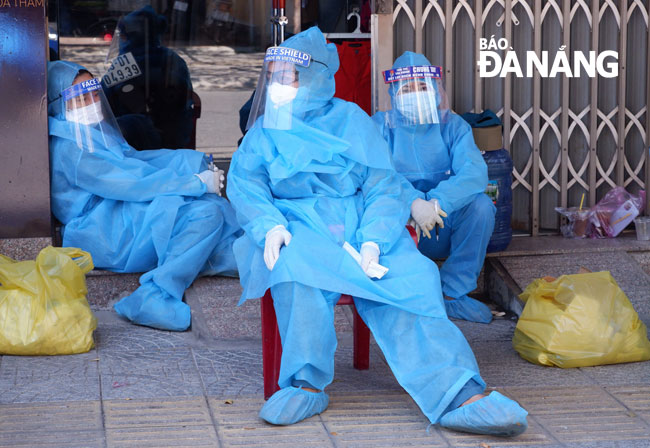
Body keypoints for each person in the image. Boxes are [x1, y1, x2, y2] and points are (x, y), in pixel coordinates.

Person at [227, 27, 527, 436]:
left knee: (417, 277)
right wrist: (269, 225)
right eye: (275, 76)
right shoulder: (265, 130)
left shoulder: (351, 119)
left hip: (361, 223)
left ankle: (457, 390)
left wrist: (374, 238)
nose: (278, 85)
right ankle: (305, 382)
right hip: (296, 226)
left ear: (315, 75)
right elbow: (245, 183)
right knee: (295, 273)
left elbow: (383, 185)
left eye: (288, 76)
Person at [47, 60, 240, 331]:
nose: (91, 102)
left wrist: (189, 161)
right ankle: (155, 295)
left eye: (93, 93)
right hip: (101, 229)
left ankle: (237, 258)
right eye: (80, 97)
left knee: (212, 209)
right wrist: (193, 183)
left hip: (117, 211)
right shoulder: (71, 148)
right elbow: (130, 181)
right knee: (204, 212)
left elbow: (132, 161)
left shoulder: (86, 133)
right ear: (59, 102)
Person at [372, 52, 497, 324]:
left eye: (422, 86)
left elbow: (475, 172)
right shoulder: (381, 127)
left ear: (435, 90)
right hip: (401, 226)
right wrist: (414, 203)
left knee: (481, 206)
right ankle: (404, 295)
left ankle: (451, 295)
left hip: (442, 224)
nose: (415, 94)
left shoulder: (453, 127)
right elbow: (377, 174)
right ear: (394, 93)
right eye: (407, 88)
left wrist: (437, 203)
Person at [101, 6, 194, 150]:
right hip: (174, 143)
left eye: (124, 35)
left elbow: (103, 101)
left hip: (134, 147)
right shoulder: (173, 59)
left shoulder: (126, 62)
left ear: (132, 36)